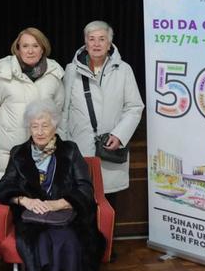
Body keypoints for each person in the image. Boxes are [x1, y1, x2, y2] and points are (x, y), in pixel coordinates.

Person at [0, 99, 106, 271]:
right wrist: (24, 201)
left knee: (67, 241)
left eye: (44, 126)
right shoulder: (19, 153)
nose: (39, 131)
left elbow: (85, 189)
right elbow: (4, 186)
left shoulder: (69, 150)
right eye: (35, 126)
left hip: (65, 217)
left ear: (54, 126)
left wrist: (58, 203)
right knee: (38, 243)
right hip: (33, 221)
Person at [62, 20, 144, 208]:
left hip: (109, 148)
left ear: (109, 44)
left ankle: (105, 239)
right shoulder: (71, 70)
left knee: (107, 205)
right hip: (79, 148)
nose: (96, 44)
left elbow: (134, 107)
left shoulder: (124, 70)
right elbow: (63, 111)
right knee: (80, 202)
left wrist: (119, 134)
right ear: (85, 42)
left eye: (102, 39)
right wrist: (63, 143)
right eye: (92, 39)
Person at [0, 27, 65, 190]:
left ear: (43, 49)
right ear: (18, 49)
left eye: (35, 46)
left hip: (44, 150)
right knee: (11, 200)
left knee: (41, 203)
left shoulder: (54, 76)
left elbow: (58, 111)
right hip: (8, 150)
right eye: (25, 46)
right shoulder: (1, 75)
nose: (30, 51)